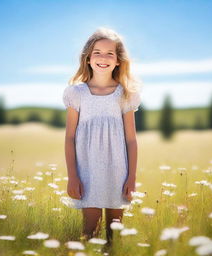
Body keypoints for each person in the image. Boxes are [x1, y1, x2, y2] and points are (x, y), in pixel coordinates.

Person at [62, 27, 142, 245]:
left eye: (110, 53)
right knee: (90, 232)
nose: (103, 58)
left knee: (114, 235)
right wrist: (73, 176)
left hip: (119, 172)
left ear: (118, 60)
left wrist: (131, 178)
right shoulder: (76, 94)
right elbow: (69, 138)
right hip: (87, 173)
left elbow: (131, 140)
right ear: (88, 58)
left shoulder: (125, 94)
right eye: (97, 52)